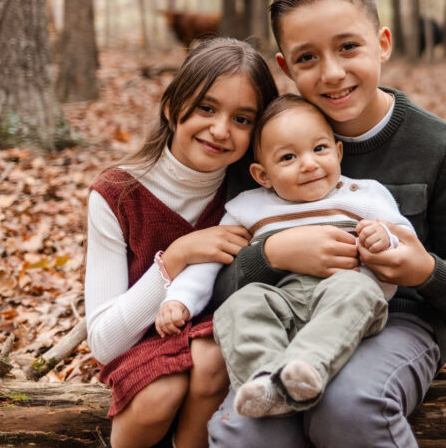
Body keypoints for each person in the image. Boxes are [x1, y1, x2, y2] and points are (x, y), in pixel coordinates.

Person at [207, 0, 446, 447]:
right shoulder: (267, 148)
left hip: (402, 320)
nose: (333, 72)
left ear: (382, 43)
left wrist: (424, 270)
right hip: (282, 315)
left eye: (348, 47)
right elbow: (218, 286)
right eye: (307, 57)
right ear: (285, 67)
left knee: (348, 405)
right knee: (245, 430)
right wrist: (272, 255)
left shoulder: (437, 144)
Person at [155, 94, 414, 419]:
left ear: (338, 152)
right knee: (239, 304)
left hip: (342, 305)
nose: (309, 163)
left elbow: (406, 241)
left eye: (319, 149)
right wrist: (179, 299)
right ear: (263, 175)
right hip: (279, 306)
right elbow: (211, 259)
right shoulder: (249, 208)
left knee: (358, 290)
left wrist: (385, 239)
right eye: (289, 157)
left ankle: (306, 369)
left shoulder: (363, 196)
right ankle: (264, 380)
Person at [84, 37, 278, 448]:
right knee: (160, 392)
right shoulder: (117, 193)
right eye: (206, 108)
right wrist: (177, 257)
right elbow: (103, 343)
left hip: (225, 342)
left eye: (243, 120)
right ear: (172, 106)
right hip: (144, 341)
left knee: (211, 359)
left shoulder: (255, 189)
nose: (221, 130)